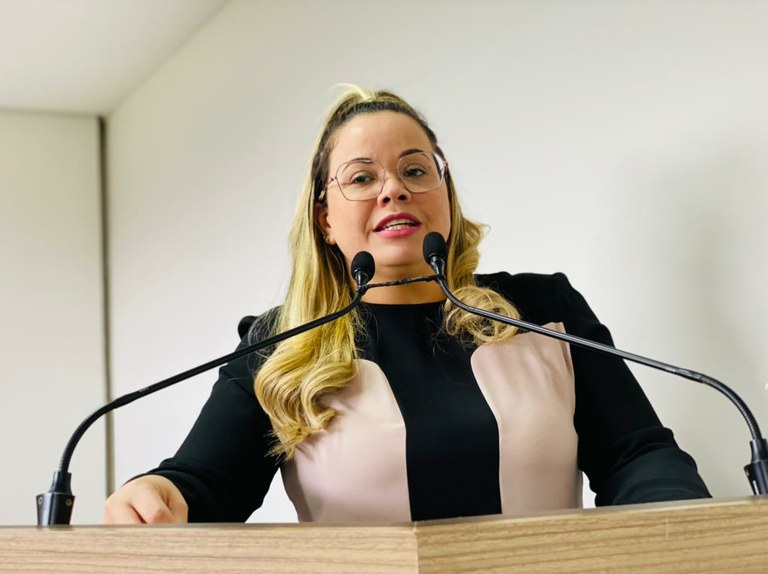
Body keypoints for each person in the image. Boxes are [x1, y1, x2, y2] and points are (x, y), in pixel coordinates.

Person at [102, 86, 710, 524]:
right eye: (361, 177)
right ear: (325, 219)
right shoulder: (282, 343)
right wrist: (157, 493)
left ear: (445, 195)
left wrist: (684, 528)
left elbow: (637, 454)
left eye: (416, 170)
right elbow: (205, 485)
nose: (394, 188)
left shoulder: (540, 310)